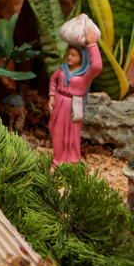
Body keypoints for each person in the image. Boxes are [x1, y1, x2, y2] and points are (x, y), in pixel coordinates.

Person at [48, 26, 102, 167]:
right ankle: (57, 160)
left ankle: (72, 161)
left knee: (72, 135)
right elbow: (54, 80)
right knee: (57, 131)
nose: (69, 57)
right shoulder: (62, 69)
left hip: (74, 104)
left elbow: (97, 66)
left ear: (81, 58)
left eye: (74, 55)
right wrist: (52, 96)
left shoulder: (85, 74)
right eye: (69, 54)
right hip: (59, 102)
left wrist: (92, 45)